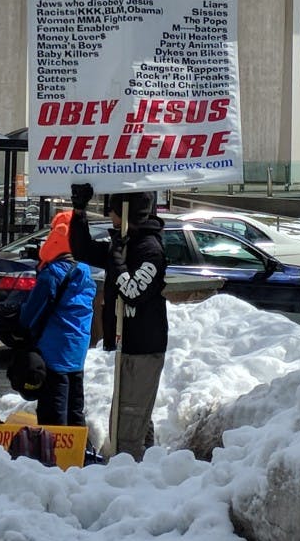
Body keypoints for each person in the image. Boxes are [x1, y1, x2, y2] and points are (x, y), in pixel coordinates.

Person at [68, 185, 167, 460]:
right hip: (127, 344)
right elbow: (82, 250)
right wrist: (79, 212)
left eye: (112, 211)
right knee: (132, 414)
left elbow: (134, 292)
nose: (109, 216)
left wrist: (120, 263)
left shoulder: (150, 249)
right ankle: (145, 464)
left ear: (126, 213)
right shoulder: (123, 243)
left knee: (128, 420)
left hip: (144, 346)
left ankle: (126, 473)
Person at [17, 210, 96, 427]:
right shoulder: (84, 270)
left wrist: (19, 326)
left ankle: (55, 455)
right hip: (76, 350)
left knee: (53, 410)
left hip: (53, 349)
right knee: (74, 407)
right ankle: (77, 453)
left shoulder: (54, 272)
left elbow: (31, 313)